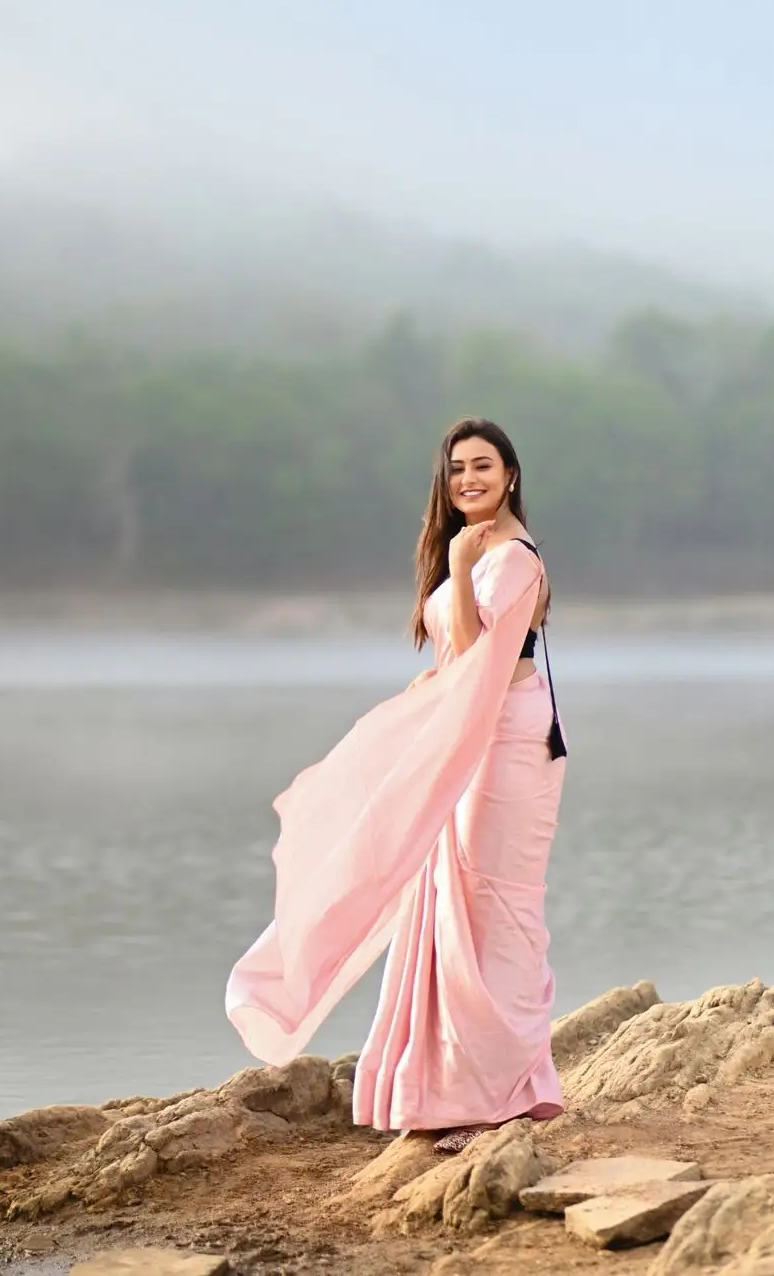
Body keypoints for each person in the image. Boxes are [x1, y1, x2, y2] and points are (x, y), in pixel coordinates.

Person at [226, 417, 566, 1154]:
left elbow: (482, 660)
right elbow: (456, 664)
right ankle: (467, 1088)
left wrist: (461, 563)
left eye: (483, 466)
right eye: (456, 471)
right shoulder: (473, 550)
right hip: (466, 729)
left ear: (511, 475)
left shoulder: (510, 560)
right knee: (450, 903)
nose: (468, 480)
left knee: (493, 908)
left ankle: (497, 1093)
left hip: (505, 742)